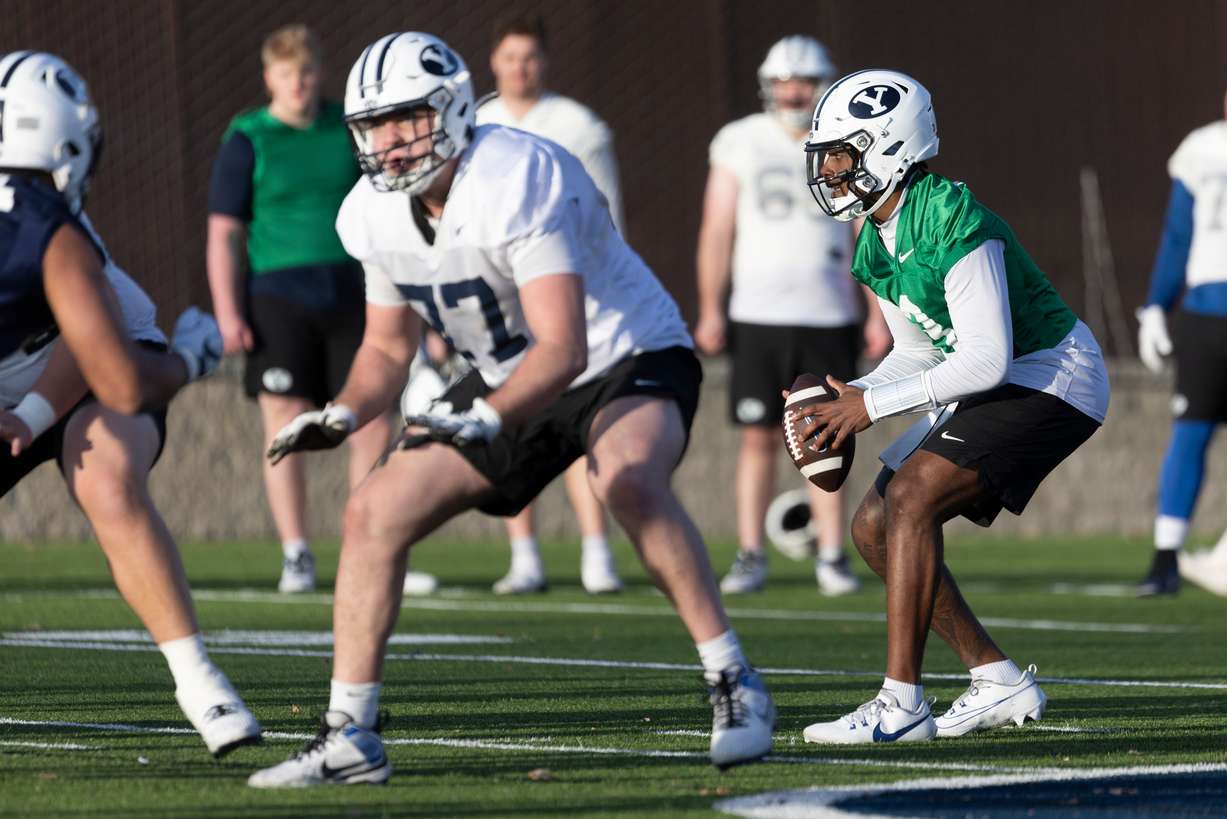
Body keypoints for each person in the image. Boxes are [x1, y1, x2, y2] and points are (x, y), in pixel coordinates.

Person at [246, 32, 775, 786]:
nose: (390, 143)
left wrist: (488, 415)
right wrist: (340, 414)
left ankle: (733, 679)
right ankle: (349, 734)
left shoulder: (515, 174)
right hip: (504, 374)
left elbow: (562, 347)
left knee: (626, 478)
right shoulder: (371, 211)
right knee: (372, 513)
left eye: (406, 119)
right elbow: (387, 351)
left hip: (622, 353)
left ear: (453, 108)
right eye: (374, 126)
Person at [796, 70, 1109, 744]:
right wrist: (854, 395)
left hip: (1055, 375)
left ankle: (902, 705)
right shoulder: (874, 237)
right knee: (874, 525)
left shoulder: (952, 217)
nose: (829, 171)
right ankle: (997, 678)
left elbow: (987, 358)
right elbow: (919, 350)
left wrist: (872, 405)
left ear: (889, 147)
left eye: (841, 155)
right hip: (1002, 374)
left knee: (910, 498)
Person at [0, 51, 260, 757]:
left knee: (106, 472)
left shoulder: (52, 235)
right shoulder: (42, 223)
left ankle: (196, 678)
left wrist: (180, 362)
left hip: (103, 357)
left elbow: (109, 373)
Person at [206, 24, 404, 595]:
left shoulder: (346, 128)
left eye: (308, 71)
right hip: (276, 296)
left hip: (351, 288)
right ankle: (296, 552)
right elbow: (223, 231)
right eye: (288, 73)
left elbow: (389, 202)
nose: (300, 83)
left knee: (368, 417)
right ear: (270, 77)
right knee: (285, 419)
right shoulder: (248, 138)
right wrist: (227, 311)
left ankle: (371, 543)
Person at [694, 35, 889, 596]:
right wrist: (710, 308)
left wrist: (876, 313)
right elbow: (717, 230)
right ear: (768, 85)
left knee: (830, 436)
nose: (794, 90)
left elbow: (864, 226)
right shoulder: (739, 141)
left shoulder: (845, 139)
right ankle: (751, 553)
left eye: (803, 80)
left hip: (828, 311)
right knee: (756, 436)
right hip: (757, 312)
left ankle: (831, 554)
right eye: (784, 80)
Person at [475, 13, 623, 595]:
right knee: (512, 419)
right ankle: (525, 555)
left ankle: (595, 551)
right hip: (502, 300)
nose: (520, 67)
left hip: (568, 292)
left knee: (579, 421)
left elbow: (609, 214)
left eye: (529, 56)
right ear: (494, 61)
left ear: (545, 61)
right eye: (510, 56)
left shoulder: (578, 125)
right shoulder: (476, 121)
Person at [1135, 85, 1227, 597]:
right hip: (1206, 316)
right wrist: (1155, 305)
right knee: (1190, 432)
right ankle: (1166, 557)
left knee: (1191, 433)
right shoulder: (1202, 148)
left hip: (1207, 313)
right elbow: (1178, 233)